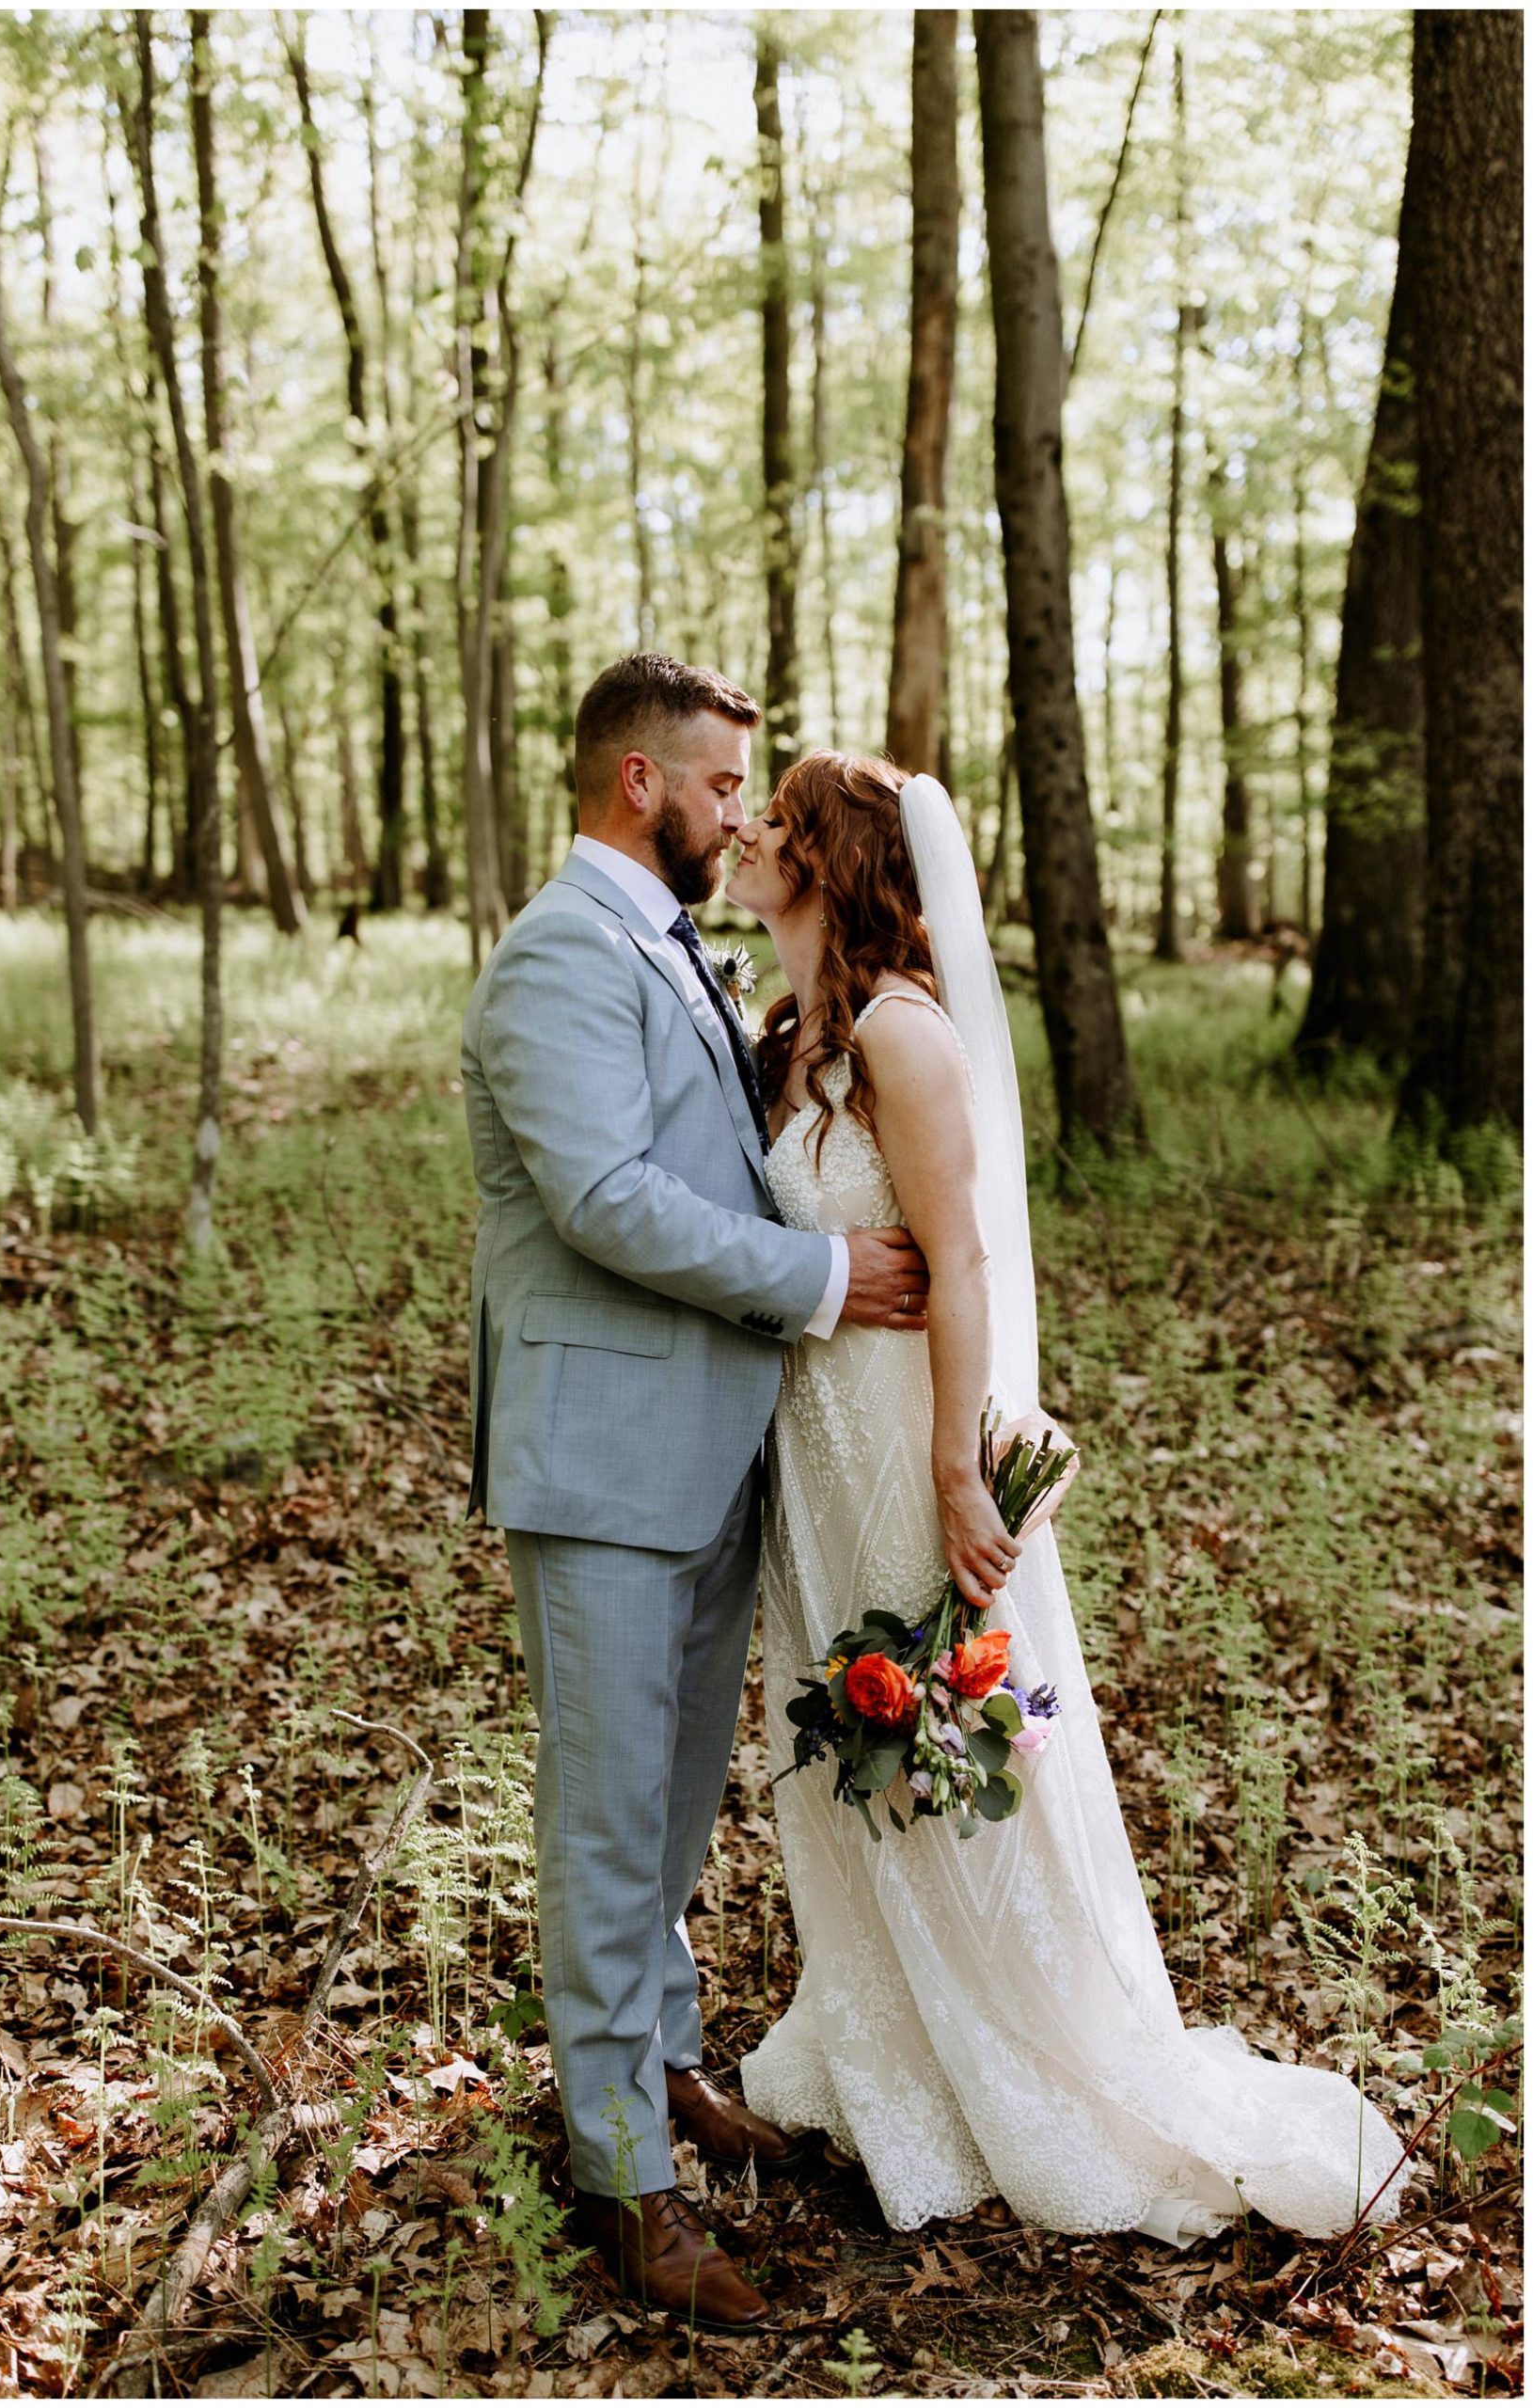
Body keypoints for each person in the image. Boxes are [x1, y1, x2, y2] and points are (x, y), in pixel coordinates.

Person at [729, 752, 1409, 2244]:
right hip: (814, 1453)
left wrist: (957, 1466)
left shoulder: (904, 1037)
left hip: (907, 1445)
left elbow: (964, 1262)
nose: (738, 832)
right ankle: (886, 2036)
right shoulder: (792, 1042)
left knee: (953, 1738)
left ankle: (1025, 2052)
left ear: (828, 864)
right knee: (843, 1732)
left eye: (769, 823)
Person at [459, 657, 947, 2329]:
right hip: (601, 1462)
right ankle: (620, 2182)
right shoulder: (551, 961)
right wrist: (818, 1276)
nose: (744, 816)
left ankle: (657, 2067)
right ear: (639, 787)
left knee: (666, 1820)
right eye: (724, 787)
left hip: (702, 1453)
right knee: (605, 1827)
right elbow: (602, 1198)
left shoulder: (665, 944)